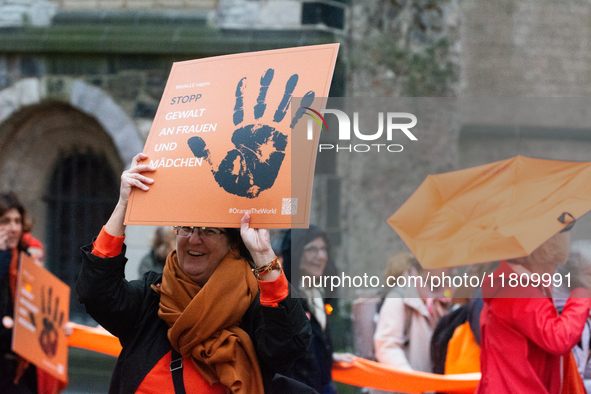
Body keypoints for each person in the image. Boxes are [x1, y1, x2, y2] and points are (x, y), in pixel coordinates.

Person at [76, 153, 313, 394]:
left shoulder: (252, 305)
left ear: (233, 243)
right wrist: (124, 205)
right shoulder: (152, 298)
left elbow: (289, 344)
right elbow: (96, 292)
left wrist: (263, 254)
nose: (194, 239)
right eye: (186, 228)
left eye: (209, 230)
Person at [476, 230, 591, 394]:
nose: (553, 272)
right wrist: (582, 294)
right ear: (540, 258)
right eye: (554, 264)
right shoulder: (521, 292)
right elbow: (559, 338)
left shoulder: (509, 287)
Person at [281, 226, 338, 394]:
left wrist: (330, 355)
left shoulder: (319, 294)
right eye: (312, 249)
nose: (321, 256)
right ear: (297, 254)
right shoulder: (284, 300)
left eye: (323, 249)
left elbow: (315, 343)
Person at [373, 252, 450, 373]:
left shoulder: (435, 300)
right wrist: (413, 381)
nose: (449, 269)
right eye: (444, 263)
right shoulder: (399, 298)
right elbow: (387, 347)